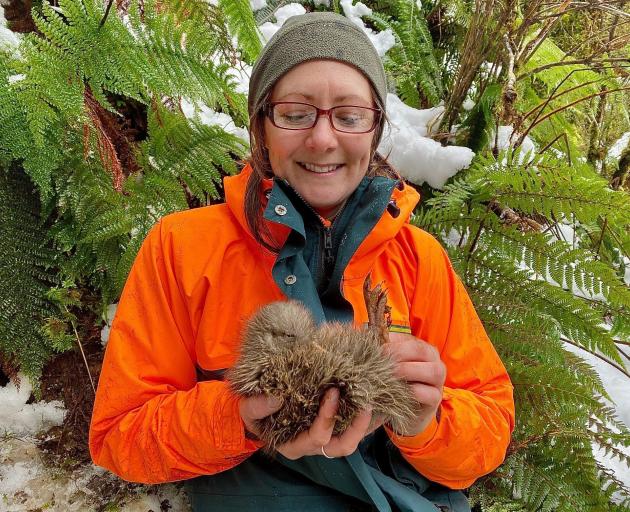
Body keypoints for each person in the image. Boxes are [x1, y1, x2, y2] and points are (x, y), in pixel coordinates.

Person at [89, 11, 515, 512]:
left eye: (349, 115)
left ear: (374, 129)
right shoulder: (181, 248)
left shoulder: (418, 259)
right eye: (295, 113)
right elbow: (121, 437)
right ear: (260, 127)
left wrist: (427, 423)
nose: (322, 139)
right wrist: (242, 418)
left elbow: (488, 434)